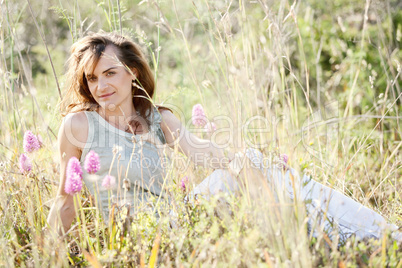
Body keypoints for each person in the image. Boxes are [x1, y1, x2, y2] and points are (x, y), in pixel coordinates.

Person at [47, 31, 401, 242]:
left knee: (253, 164)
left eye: (110, 73)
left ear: (132, 71)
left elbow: (202, 152)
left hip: (176, 221)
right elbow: (65, 200)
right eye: (92, 79)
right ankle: (335, 239)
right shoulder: (79, 126)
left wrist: (245, 164)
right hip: (138, 236)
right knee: (240, 174)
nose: (101, 86)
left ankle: (376, 236)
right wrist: (45, 256)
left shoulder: (158, 119)